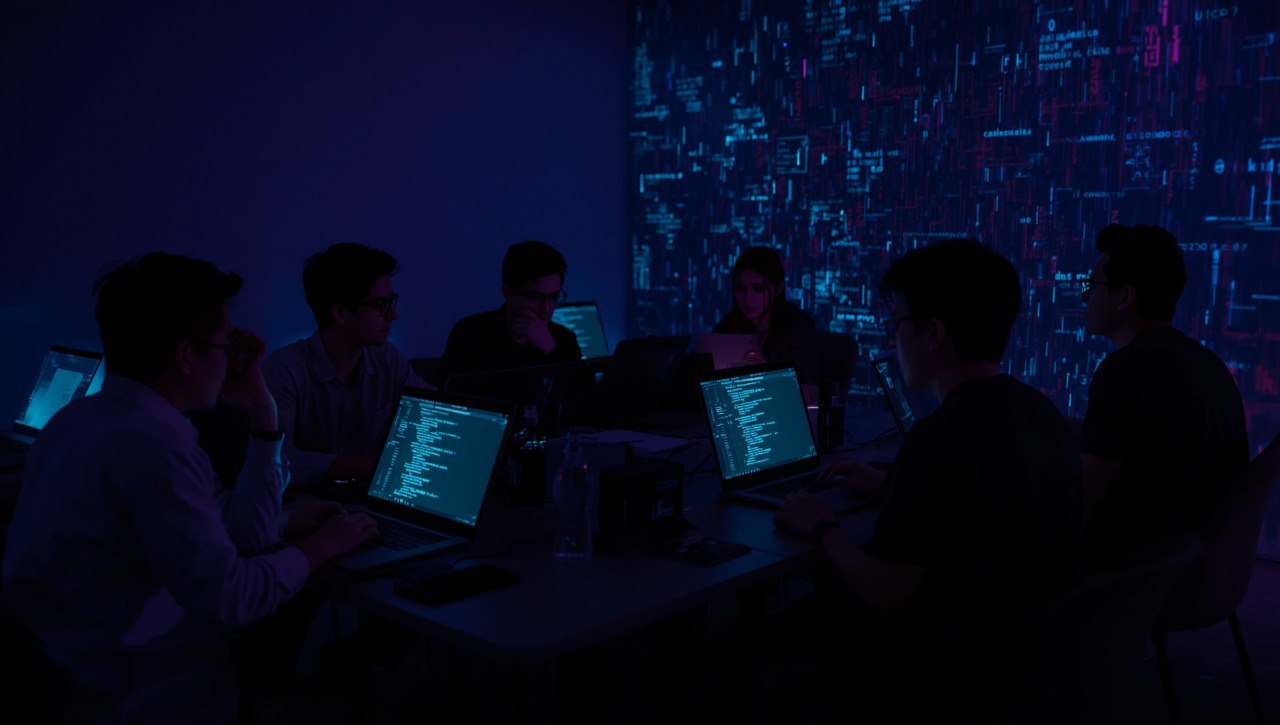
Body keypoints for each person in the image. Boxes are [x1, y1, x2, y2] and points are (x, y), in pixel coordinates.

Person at [1, 253, 377, 722]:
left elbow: (249, 537)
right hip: (138, 695)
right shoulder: (152, 445)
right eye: (225, 346)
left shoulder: (76, 420)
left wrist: (263, 414)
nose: (233, 362)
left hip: (66, 677)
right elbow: (233, 599)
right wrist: (323, 546)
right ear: (185, 355)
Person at [772, 240, 1081, 721]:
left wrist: (822, 526)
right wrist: (891, 483)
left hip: (945, 669)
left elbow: (882, 593)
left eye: (896, 323)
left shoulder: (939, 439)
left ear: (932, 332)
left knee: (768, 635)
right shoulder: (1040, 413)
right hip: (1025, 656)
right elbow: (985, 498)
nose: (892, 339)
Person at [1079, 224, 1249, 565]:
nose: (1086, 296)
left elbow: (1083, 500)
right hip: (1198, 567)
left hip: (1132, 575)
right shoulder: (1207, 364)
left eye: (1092, 285)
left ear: (1124, 297)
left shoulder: (1124, 370)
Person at [263, 243, 427, 485]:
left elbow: (430, 407)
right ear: (341, 313)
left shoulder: (389, 360)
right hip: (304, 506)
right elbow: (275, 459)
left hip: (370, 501)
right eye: (380, 305)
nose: (393, 314)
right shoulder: (285, 369)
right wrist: (371, 465)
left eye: (392, 302)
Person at [438, 240, 582, 385]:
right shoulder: (469, 334)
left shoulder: (564, 340)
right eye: (534, 298)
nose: (546, 309)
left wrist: (551, 350)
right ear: (507, 292)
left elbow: (585, 400)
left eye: (553, 297)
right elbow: (448, 395)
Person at [712, 246, 820, 402]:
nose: (748, 298)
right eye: (740, 288)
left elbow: (811, 394)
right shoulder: (727, 326)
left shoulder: (798, 326)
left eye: (758, 289)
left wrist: (766, 374)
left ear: (778, 289)